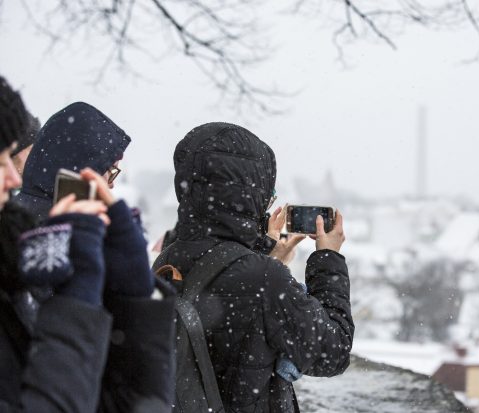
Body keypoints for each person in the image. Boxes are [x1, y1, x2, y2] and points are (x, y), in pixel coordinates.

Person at [153, 122, 354, 412]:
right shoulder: (263, 280)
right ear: (250, 195)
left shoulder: (167, 260)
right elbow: (333, 351)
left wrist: (261, 253)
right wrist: (328, 257)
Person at [1, 81, 175, 412]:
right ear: (81, 170)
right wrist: (81, 305)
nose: (12, 177)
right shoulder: (41, 243)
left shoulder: (27, 237)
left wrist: (137, 299)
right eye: (108, 173)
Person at [13, 101, 130, 220]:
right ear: (86, 169)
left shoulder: (13, 214)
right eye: (112, 171)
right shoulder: (67, 228)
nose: (111, 184)